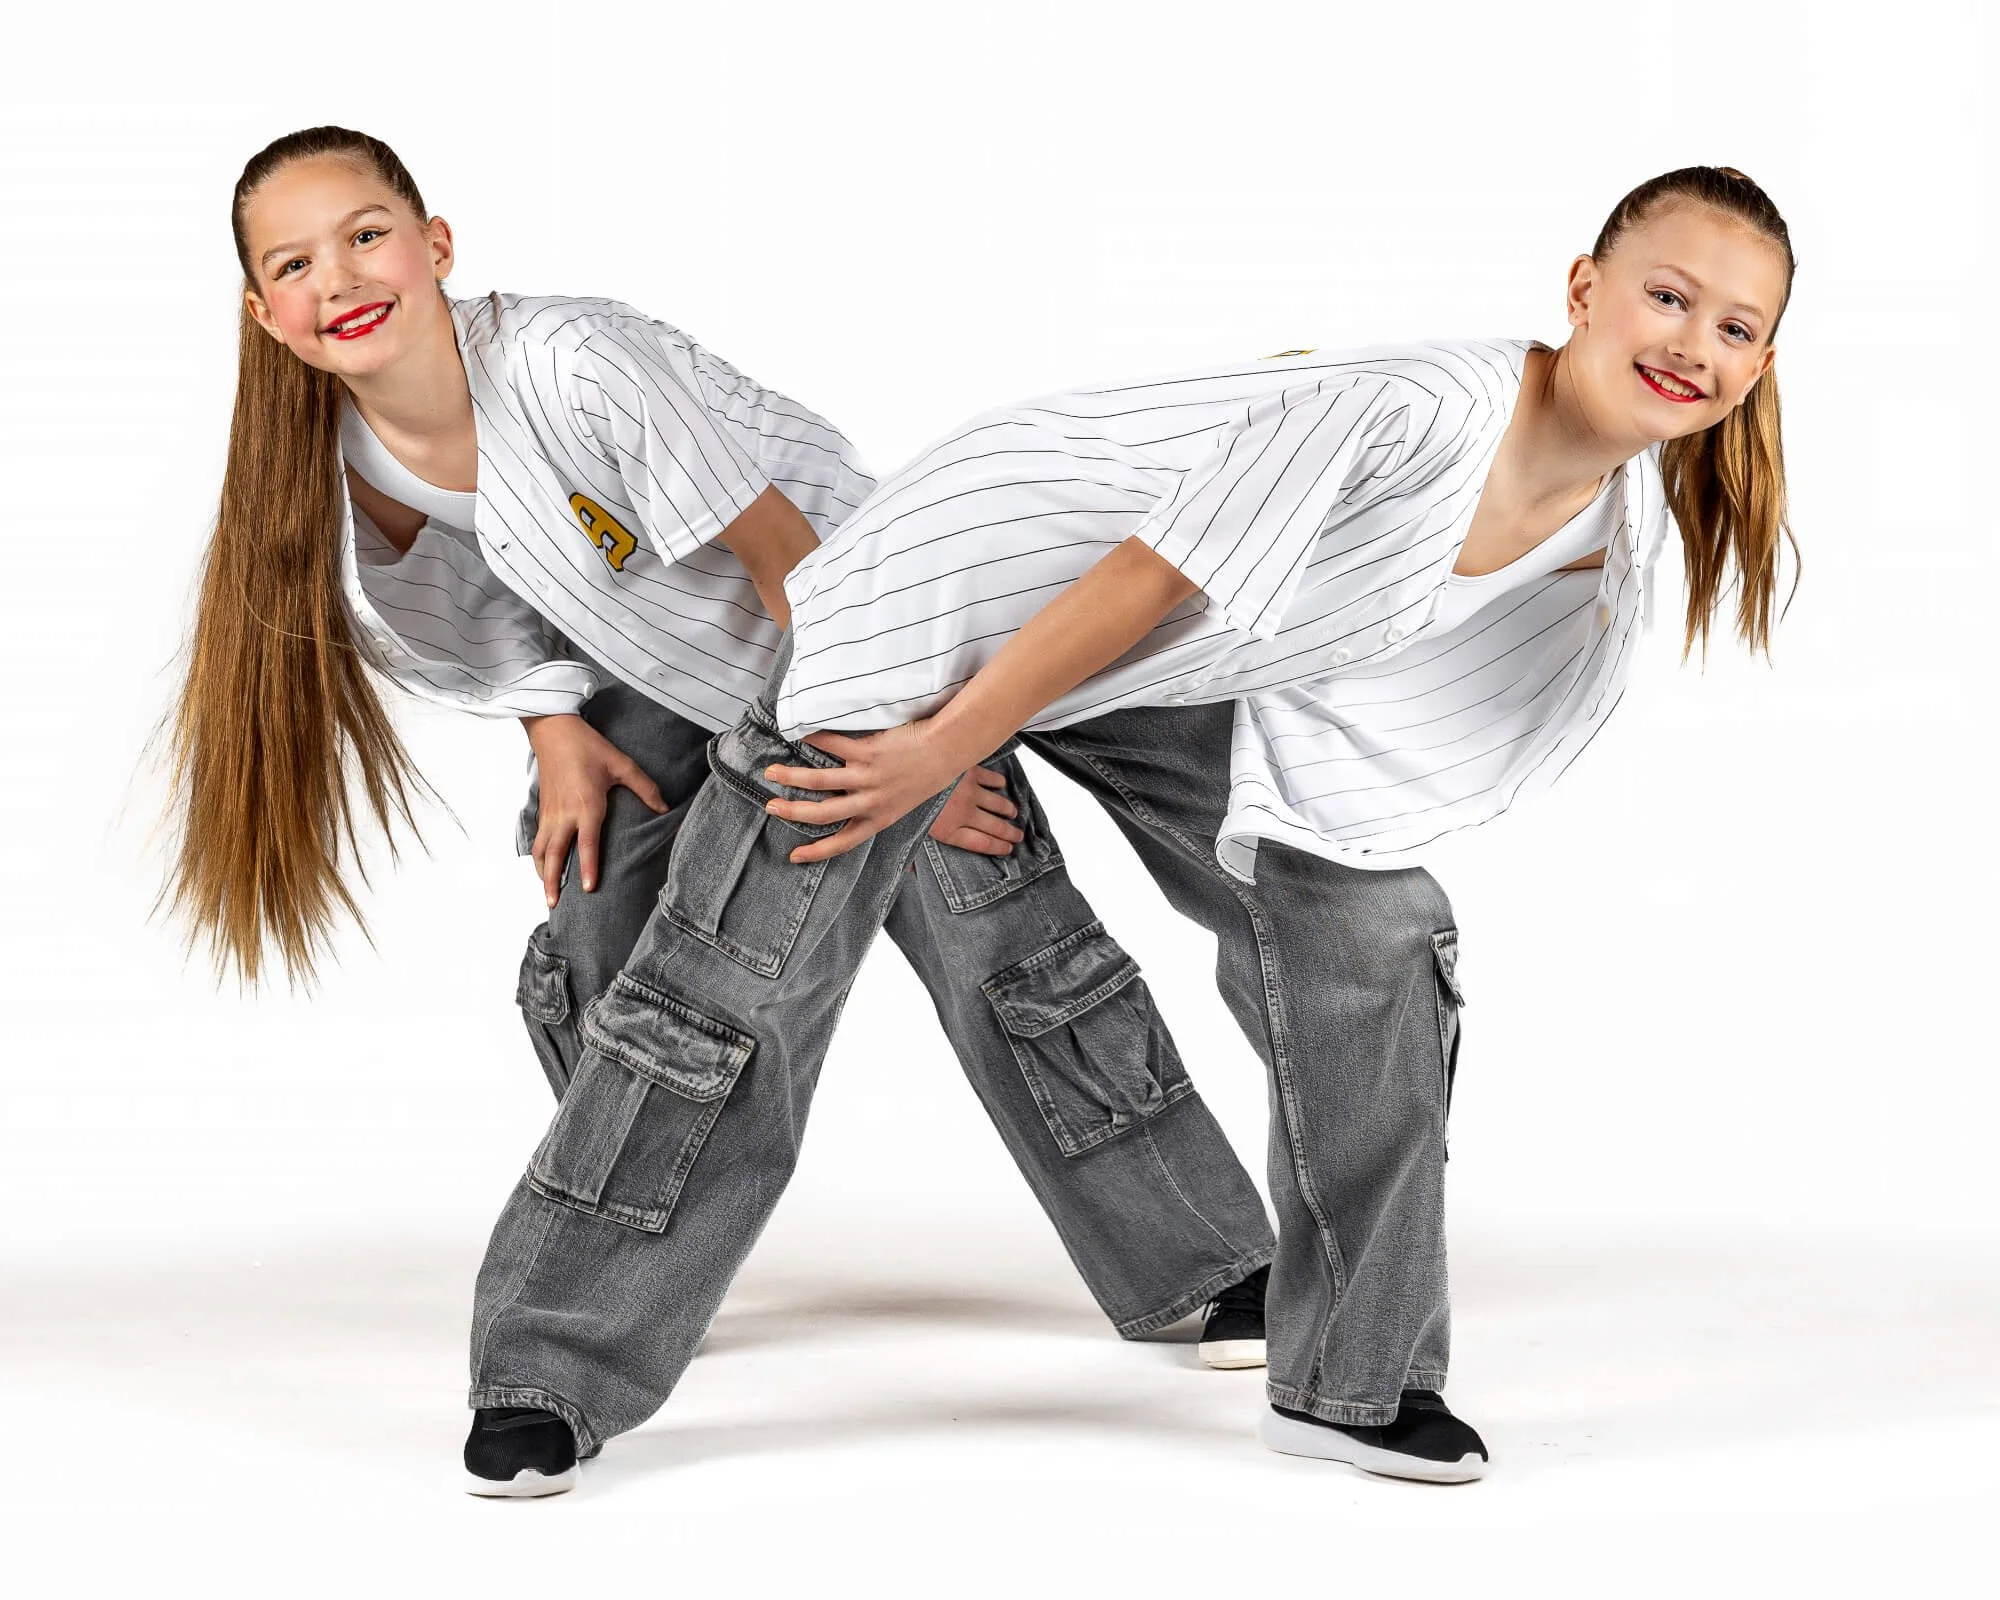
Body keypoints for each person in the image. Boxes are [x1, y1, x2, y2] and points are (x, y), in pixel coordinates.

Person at [463, 165, 1797, 1490]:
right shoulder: (1413, 408)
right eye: (1667, 297)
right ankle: (548, 1371)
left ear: (1760, 362)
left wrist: (1309, 868)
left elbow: (1364, 693)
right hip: (951, 609)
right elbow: (1151, 573)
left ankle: (1358, 1380)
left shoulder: (1605, 539)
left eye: (1735, 327)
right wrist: (943, 745)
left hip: (1177, 667)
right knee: (730, 997)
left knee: (1382, 942)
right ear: (1585, 290)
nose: (1692, 343)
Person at [156, 126, 1283, 1496]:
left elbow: (787, 560)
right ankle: (661, 1215)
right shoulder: (335, 484)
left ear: (436, 246)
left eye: (367, 232)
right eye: (295, 261)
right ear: (264, 312)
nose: (340, 274)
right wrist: (555, 728)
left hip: (852, 637)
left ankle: (1205, 1265)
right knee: (597, 939)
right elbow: (486, 610)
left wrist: (925, 752)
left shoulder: (570, 365)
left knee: (994, 919)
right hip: (654, 684)